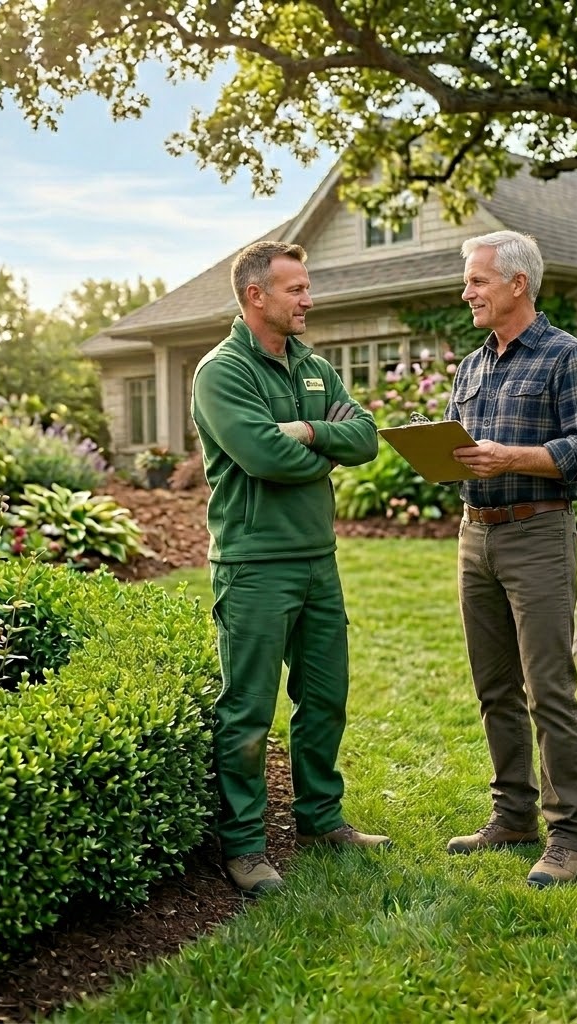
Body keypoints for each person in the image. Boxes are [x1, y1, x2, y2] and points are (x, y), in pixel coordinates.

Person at [190, 240, 389, 897]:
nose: (309, 299)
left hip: (316, 560)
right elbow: (264, 459)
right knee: (248, 711)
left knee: (325, 697)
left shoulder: (311, 365)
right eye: (295, 289)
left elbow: (364, 435)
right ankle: (244, 846)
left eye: (307, 288)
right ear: (256, 296)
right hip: (254, 565)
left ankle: (320, 818)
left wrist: (307, 433)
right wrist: (315, 443)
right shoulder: (222, 372)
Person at [445, 230, 577, 888]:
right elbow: (465, 443)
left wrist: (511, 458)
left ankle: (569, 834)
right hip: (475, 533)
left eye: (478, 281)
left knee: (550, 690)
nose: (467, 293)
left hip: (538, 534)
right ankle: (511, 816)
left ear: (518, 284)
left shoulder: (567, 357)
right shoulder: (473, 364)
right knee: (494, 688)